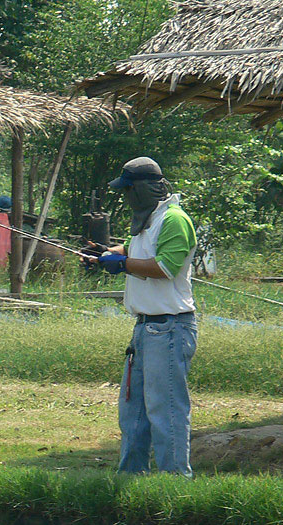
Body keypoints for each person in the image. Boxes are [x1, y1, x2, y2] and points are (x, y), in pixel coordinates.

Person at [88, 157, 198, 476]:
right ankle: (131, 478)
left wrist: (121, 265)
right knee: (133, 411)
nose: (125, 196)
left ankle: (175, 481)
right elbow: (130, 249)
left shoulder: (174, 220)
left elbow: (163, 268)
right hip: (144, 329)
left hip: (170, 328)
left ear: (145, 188)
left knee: (166, 410)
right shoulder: (148, 221)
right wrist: (104, 254)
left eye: (129, 190)